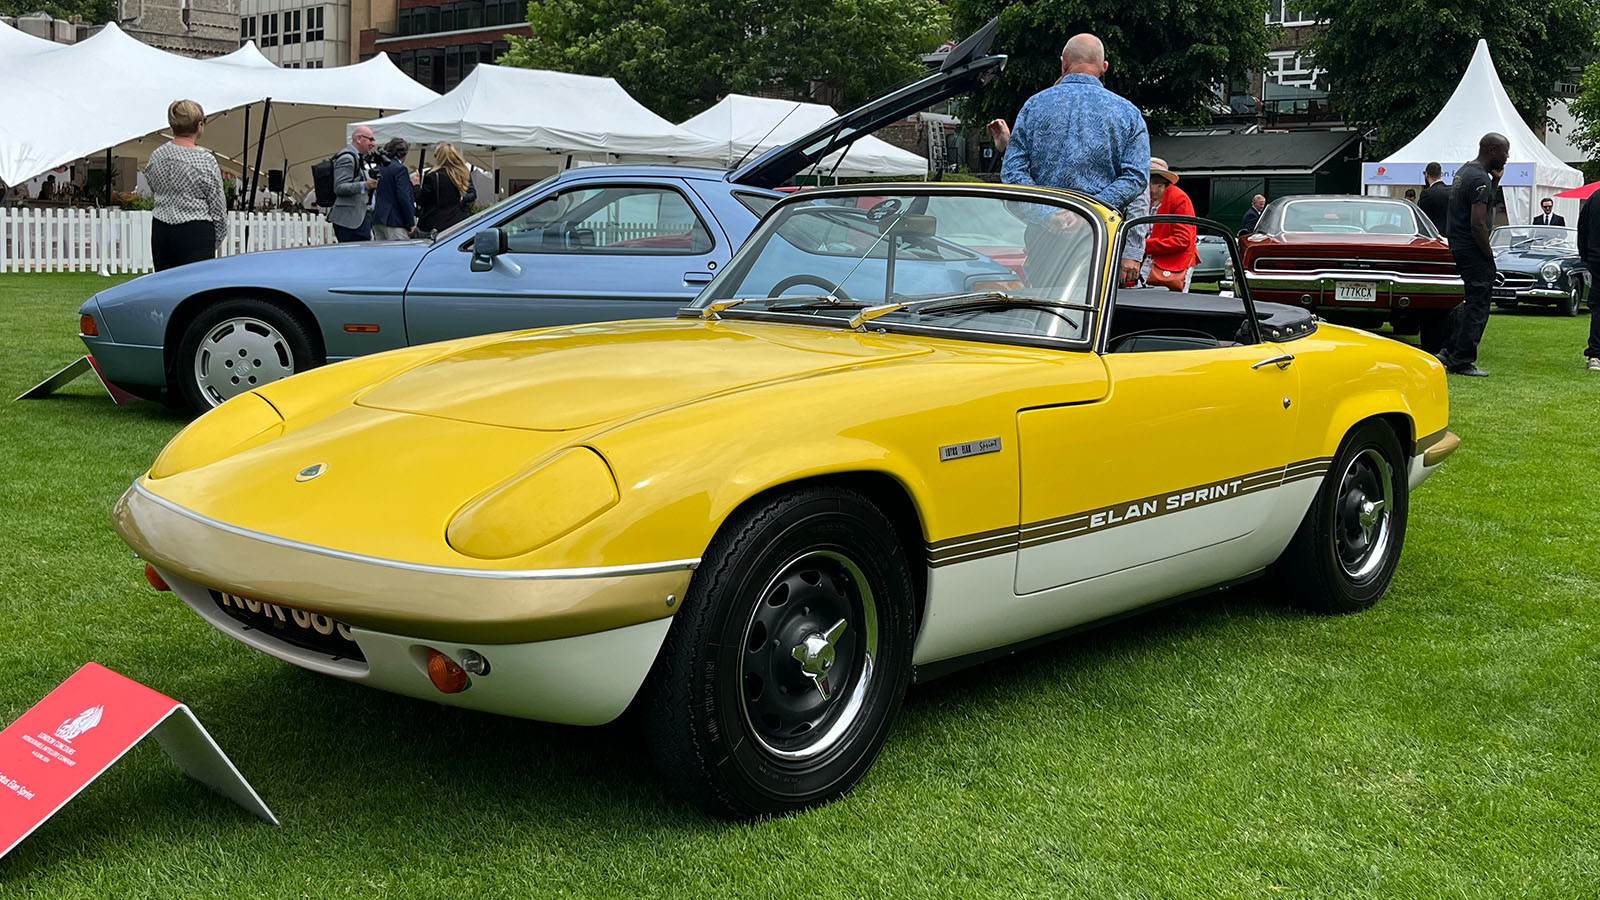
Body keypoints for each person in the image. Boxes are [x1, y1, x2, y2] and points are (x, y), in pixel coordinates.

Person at [996, 33, 1149, 285]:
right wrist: (1089, 211)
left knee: (1043, 309)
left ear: (1063, 63)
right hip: (1100, 237)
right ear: (1104, 67)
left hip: (1045, 239)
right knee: (1094, 313)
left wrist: (1049, 214)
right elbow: (1135, 178)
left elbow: (1013, 173)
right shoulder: (1128, 113)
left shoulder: (1034, 106)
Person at [1437, 133, 1511, 377]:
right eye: (1504, 152)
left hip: (1458, 245)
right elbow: (1478, 222)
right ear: (1491, 150)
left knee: (1469, 301)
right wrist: (1488, 254)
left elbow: (1480, 205)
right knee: (1479, 304)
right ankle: (1462, 359)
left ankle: (1450, 350)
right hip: (1472, 247)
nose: (1506, 157)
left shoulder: (1464, 171)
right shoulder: (1479, 177)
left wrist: (1496, 182)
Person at [144, 99, 227, 271]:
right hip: (196, 231)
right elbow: (218, 205)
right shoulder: (205, 160)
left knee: (166, 287)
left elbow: (153, 187)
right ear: (199, 125)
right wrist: (215, 239)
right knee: (197, 289)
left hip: (161, 229)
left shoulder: (156, 156)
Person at [1142, 158, 1199, 291]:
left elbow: (1182, 240)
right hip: (1149, 262)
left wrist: (1143, 245)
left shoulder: (1179, 199)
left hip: (1172, 264)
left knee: (1166, 304)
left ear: (1158, 183)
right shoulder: (1147, 201)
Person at [416, 142, 477, 235]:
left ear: (439, 157)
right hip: (458, 221)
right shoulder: (462, 174)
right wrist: (463, 199)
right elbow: (473, 194)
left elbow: (422, 200)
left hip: (435, 224)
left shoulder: (432, 176)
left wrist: (416, 186)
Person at [329, 125, 377, 242]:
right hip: (350, 222)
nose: (373, 144)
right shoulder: (347, 158)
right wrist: (364, 185)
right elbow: (339, 187)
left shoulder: (358, 158)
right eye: (370, 139)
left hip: (358, 218)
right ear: (359, 139)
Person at [371, 137, 415, 241]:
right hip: (395, 220)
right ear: (403, 153)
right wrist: (410, 222)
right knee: (400, 254)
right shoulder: (400, 169)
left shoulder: (379, 167)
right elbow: (403, 197)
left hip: (378, 218)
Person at [1579, 197, 1600, 371]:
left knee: (1598, 307)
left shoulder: (1594, 198)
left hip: (1596, 258)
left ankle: (1595, 354)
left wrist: (1585, 257)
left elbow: (1582, 229)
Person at [1417, 162, 1449, 233]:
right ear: (1441, 174)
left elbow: (1422, 216)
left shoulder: (1427, 193)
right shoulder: (1451, 191)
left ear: (1426, 174)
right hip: (1450, 233)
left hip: (1433, 233)